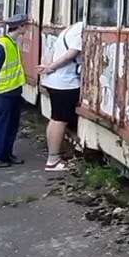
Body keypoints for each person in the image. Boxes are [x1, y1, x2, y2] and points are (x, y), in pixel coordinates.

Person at [36, 20, 83, 172]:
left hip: (56, 81)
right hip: (65, 82)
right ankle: (53, 160)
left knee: (56, 118)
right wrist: (50, 67)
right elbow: (71, 54)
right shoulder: (80, 30)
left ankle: (55, 156)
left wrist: (47, 67)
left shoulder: (69, 29)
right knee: (60, 119)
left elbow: (52, 50)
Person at [0, 14, 28, 168]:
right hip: (3, 91)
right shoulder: (2, 44)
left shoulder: (12, 43)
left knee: (12, 124)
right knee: (2, 125)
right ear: (20, 26)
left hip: (14, 90)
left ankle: (7, 153)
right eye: (25, 25)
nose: (27, 28)